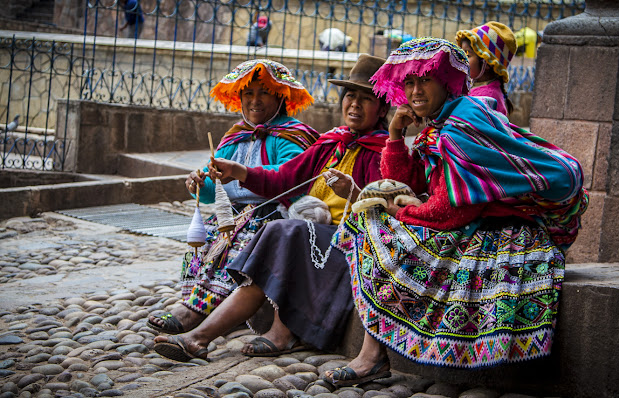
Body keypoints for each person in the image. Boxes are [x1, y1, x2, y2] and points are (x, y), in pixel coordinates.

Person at [324, 37, 588, 384]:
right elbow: (402, 182)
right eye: (409, 82)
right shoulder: (437, 123)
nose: (415, 91)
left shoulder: (462, 124)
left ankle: (371, 357)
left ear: (446, 81)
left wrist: (399, 212)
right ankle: (372, 356)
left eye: (424, 80)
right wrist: (394, 134)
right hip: (473, 221)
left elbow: (452, 212)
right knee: (373, 217)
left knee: (373, 222)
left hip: (507, 230)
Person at [152, 54, 391, 361]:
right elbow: (284, 178)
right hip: (312, 232)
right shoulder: (332, 142)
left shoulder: (385, 152)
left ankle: (280, 333)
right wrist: (238, 171)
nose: (355, 105)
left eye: (366, 98)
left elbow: (382, 209)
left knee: (282, 230)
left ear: (382, 107)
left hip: (347, 240)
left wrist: (353, 193)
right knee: (270, 238)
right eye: (350, 97)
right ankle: (197, 335)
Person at [147, 59, 319, 334]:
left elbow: (291, 179)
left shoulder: (293, 136)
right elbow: (210, 189)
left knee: (239, 239)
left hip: (270, 214)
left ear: (280, 97)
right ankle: (194, 303)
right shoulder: (233, 137)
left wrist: (243, 172)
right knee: (205, 241)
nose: (255, 100)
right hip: (232, 214)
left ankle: (197, 313)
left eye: (264, 92)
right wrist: (198, 182)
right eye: (248, 93)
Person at [456, 21, 517, 116]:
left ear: (487, 63)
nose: (462, 58)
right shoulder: (475, 89)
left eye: (468, 54)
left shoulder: (486, 98)